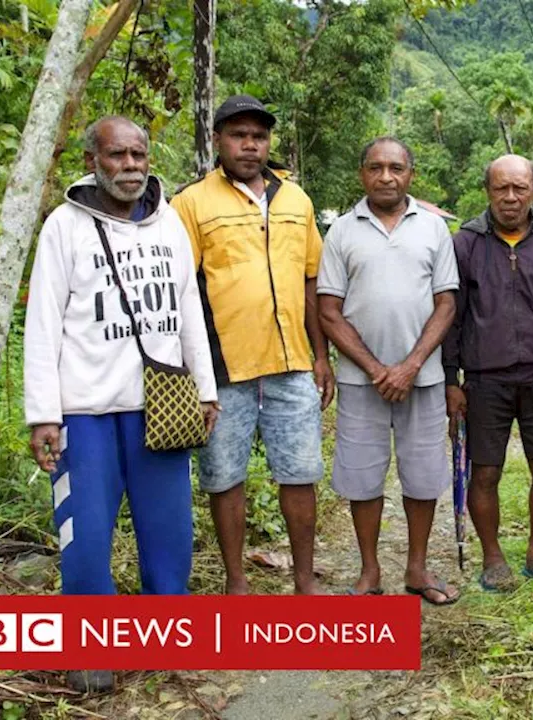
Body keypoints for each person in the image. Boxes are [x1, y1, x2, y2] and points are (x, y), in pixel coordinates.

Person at [23, 116, 219, 693]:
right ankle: (91, 648)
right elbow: (42, 326)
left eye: (139, 155)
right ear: (93, 161)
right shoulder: (65, 227)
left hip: (158, 405)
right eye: (117, 156)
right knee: (84, 535)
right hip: (83, 412)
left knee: (169, 531)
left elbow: (188, 311)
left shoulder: (169, 226)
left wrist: (204, 390)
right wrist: (44, 414)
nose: (131, 166)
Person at [171, 95, 333, 596]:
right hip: (223, 368)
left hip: (290, 362)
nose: (249, 144)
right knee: (224, 477)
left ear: (268, 144)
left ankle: (305, 582)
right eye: (238, 135)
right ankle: (236, 583)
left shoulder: (296, 201)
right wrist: (191, 374)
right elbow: (179, 289)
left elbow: (311, 281)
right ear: (218, 141)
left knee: (301, 472)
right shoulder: (191, 203)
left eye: (258, 136)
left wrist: (321, 355)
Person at [317, 137, 461, 605]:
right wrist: (379, 369)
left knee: (422, 477)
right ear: (362, 174)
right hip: (363, 382)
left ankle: (417, 568)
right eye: (376, 167)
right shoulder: (340, 231)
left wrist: (410, 365)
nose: (386, 176)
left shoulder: (434, 230)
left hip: (423, 378)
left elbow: (446, 303)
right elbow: (329, 310)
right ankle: (370, 571)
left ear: (410, 174)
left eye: (395, 167)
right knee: (362, 478)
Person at [442, 154, 533, 593]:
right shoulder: (465, 243)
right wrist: (451, 380)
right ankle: (492, 557)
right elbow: (451, 316)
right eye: (501, 188)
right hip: (485, 379)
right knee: (485, 472)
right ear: (488, 190)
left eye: (519, 188)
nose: (510, 197)